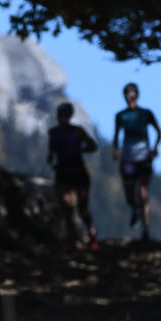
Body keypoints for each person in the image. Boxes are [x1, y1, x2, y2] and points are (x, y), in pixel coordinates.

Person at [112, 82, 161, 241]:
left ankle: (146, 229)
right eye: (127, 95)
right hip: (128, 157)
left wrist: (154, 148)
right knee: (128, 192)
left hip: (143, 157)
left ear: (137, 96)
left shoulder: (146, 114)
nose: (130, 98)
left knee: (142, 192)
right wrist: (116, 150)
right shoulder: (120, 116)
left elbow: (159, 131)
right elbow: (116, 136)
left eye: (132, 95)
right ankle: (136, 210)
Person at [47, 102, 98, 249]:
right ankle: (72, 242)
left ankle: (91, 233)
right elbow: (50, 153)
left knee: (82, 210)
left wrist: (78, 150)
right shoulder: (53, 133)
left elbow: (93, 146)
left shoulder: (77, 131)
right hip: (63, 174)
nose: (61, 117)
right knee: (67, 209)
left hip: (78, 174)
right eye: (59, 114)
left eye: (64, 114)